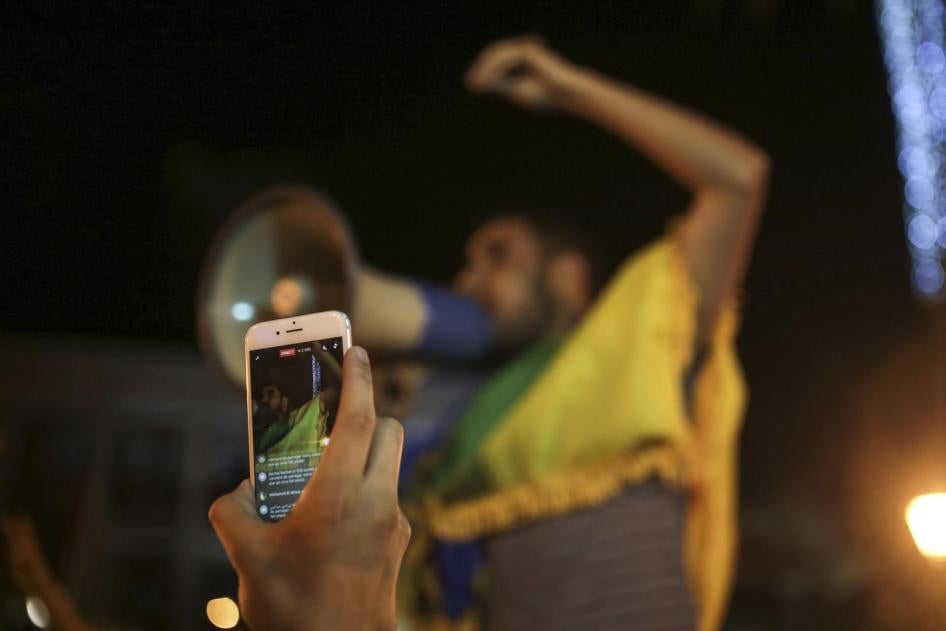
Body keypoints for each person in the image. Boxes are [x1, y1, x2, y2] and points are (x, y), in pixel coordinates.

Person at [397, 36, 769, 631]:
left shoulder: (641, 340)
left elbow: (738, 178)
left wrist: (571, 87)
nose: (468, 280)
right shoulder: (469, 422)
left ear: (567, 278)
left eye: (498, 256)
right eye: (468, 264)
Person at [210, 346, 411, 630]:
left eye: (270, 393)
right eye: (266, 394)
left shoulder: (293, 422)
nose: (266, 400)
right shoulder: (281, 431)